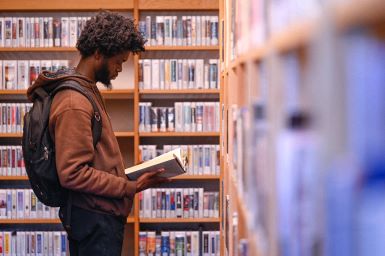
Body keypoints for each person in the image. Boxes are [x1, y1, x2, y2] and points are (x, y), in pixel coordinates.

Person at [27, 11, 167, 256]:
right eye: (118, 62)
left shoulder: (85, 89)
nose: (119, 70)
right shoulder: (74, 101)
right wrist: (128, 187)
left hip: (99, 214)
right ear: (99, 54)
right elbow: (72, 173)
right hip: (93, 219)